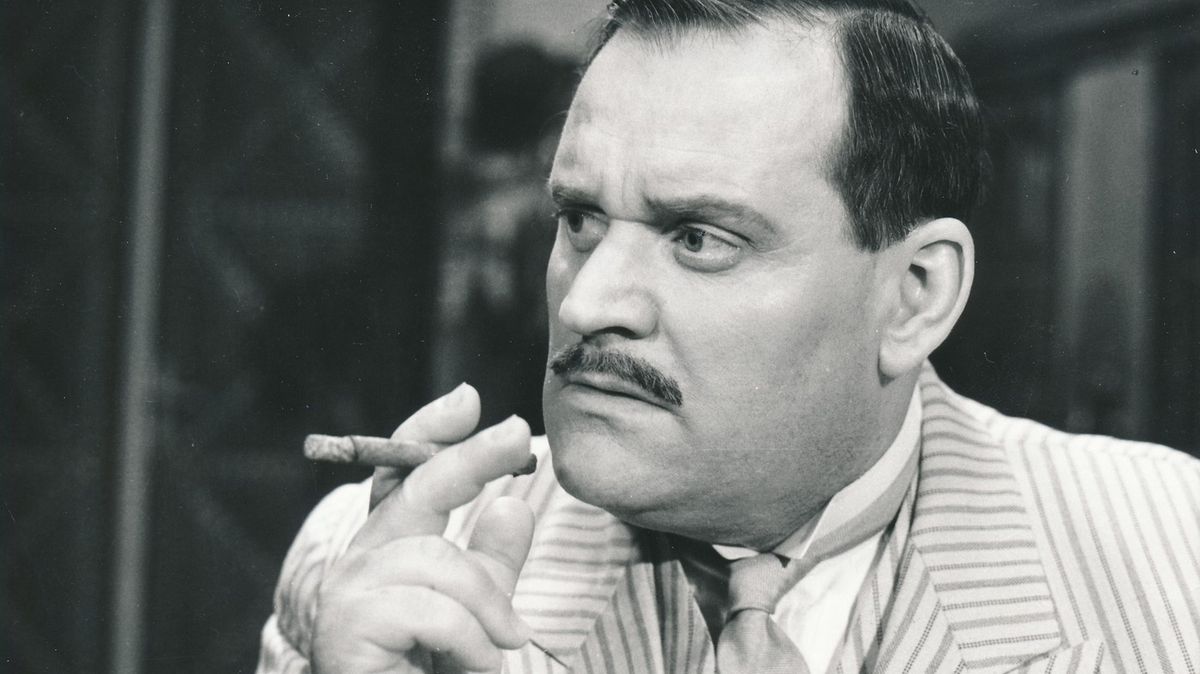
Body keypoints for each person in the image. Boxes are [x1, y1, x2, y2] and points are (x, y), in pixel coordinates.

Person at [257, 1, 1200, 672]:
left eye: (698, 238)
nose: (587, 304)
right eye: (580, 219)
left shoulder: (1175, 556)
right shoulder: (380, 574)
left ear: (914, 295)